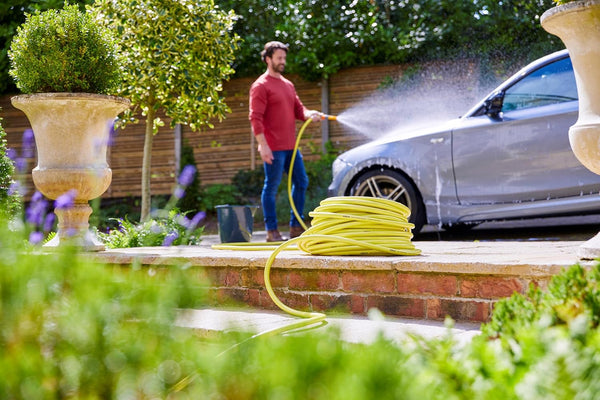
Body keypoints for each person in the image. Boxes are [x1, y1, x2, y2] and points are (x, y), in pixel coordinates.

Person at [249, 41, 322, 242]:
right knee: (271, 187)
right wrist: (262, 144)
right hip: (273, 147)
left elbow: (299, 111)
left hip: (291, 146)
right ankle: (271, 231)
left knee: (301, 182)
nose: (283, 61)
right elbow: (255, 117)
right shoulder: (260, 86)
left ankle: (295, 227)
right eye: (279, 58)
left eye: (284, 58)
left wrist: (310, 114)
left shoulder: (288, 85)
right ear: (268, 59)